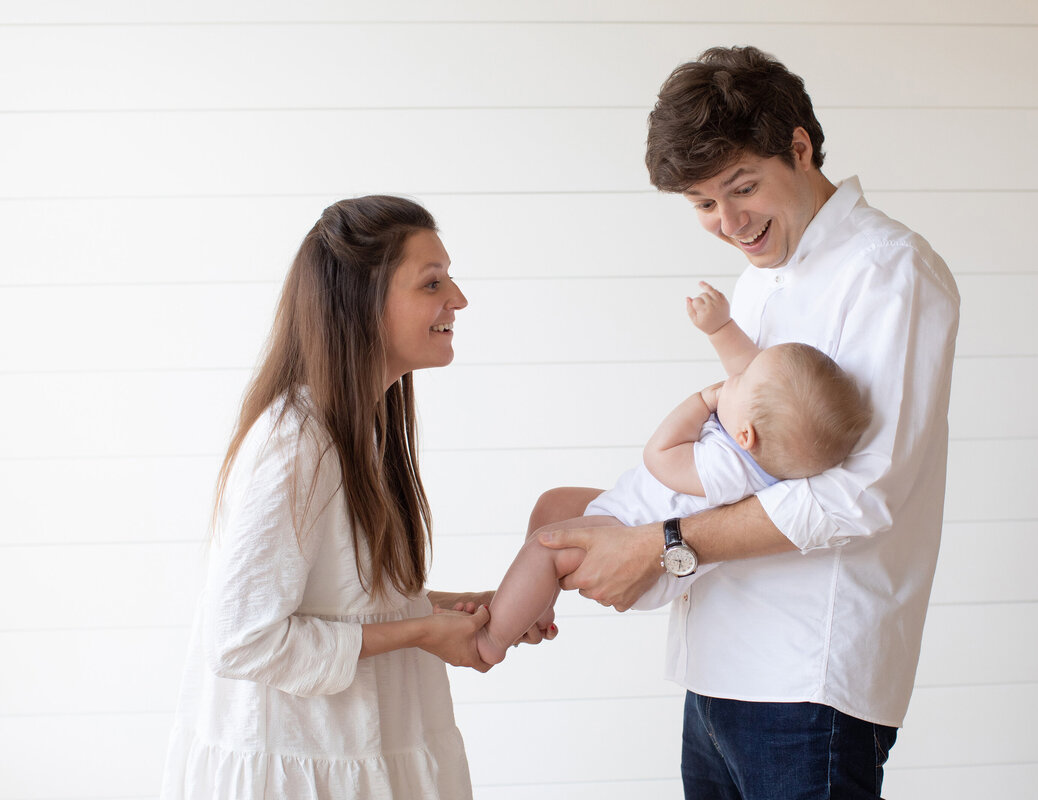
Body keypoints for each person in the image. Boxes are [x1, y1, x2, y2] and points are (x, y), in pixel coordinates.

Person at [536, 46, 961, 799]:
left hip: (807, 680)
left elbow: (858, 496)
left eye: (742, 188)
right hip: (718, 669)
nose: (730, 223)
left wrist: (661, 544)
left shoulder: (889, 272)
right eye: (703, 204)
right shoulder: (761, 272)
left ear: (799, 147)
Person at [160, 196, 548, 799]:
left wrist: (438, 609)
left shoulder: (357, 429)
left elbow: (338, 601)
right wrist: (421, 632)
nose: (459, 300)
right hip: (304, 768)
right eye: (432, 283)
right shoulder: (297, 444)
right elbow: (241, 639)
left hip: (356, 753)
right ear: (361, 302)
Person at [474, 281, 869, 666]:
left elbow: (659, 456)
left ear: (745, 434)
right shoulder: (757, 446)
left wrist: (700, 402)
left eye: (739, 383)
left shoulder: (726, 470)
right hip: (632, 510)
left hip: (634, 539)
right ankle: (533, 607)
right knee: (553, 503)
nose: (729, 379)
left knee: (545, 547)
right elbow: (749, 369)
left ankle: (491, 641)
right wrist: (720, 328)